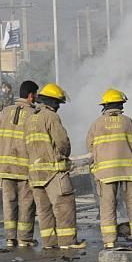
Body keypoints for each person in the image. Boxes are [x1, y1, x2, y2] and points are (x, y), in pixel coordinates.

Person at [87, 89, 132, 249]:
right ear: (121, 104)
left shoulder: (96, 124)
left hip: (105, 173)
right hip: (128, 170)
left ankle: (109, 241)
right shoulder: (128, 122)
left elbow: (89, 146)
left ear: (104, 106)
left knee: (107, 205)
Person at [25, 83, 86, 250]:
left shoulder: (31, 118)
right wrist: (64, 154)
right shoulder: (51, 117)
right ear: (51, 101)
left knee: (44, 210)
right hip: (53, 172)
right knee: (64, 205)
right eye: (58, 102)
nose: (58, 106)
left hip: (35, 174)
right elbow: (62, 142)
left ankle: (49, 242)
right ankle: (67, 242)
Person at [0, 80, 38, 248]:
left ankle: (10, 237)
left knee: (9, 203)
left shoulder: (5, 112)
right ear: (31, 96)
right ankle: (25, 238)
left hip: (6, 168)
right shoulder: (34, 114)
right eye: (35, 95)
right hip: (25, 169)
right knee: (26, 204)